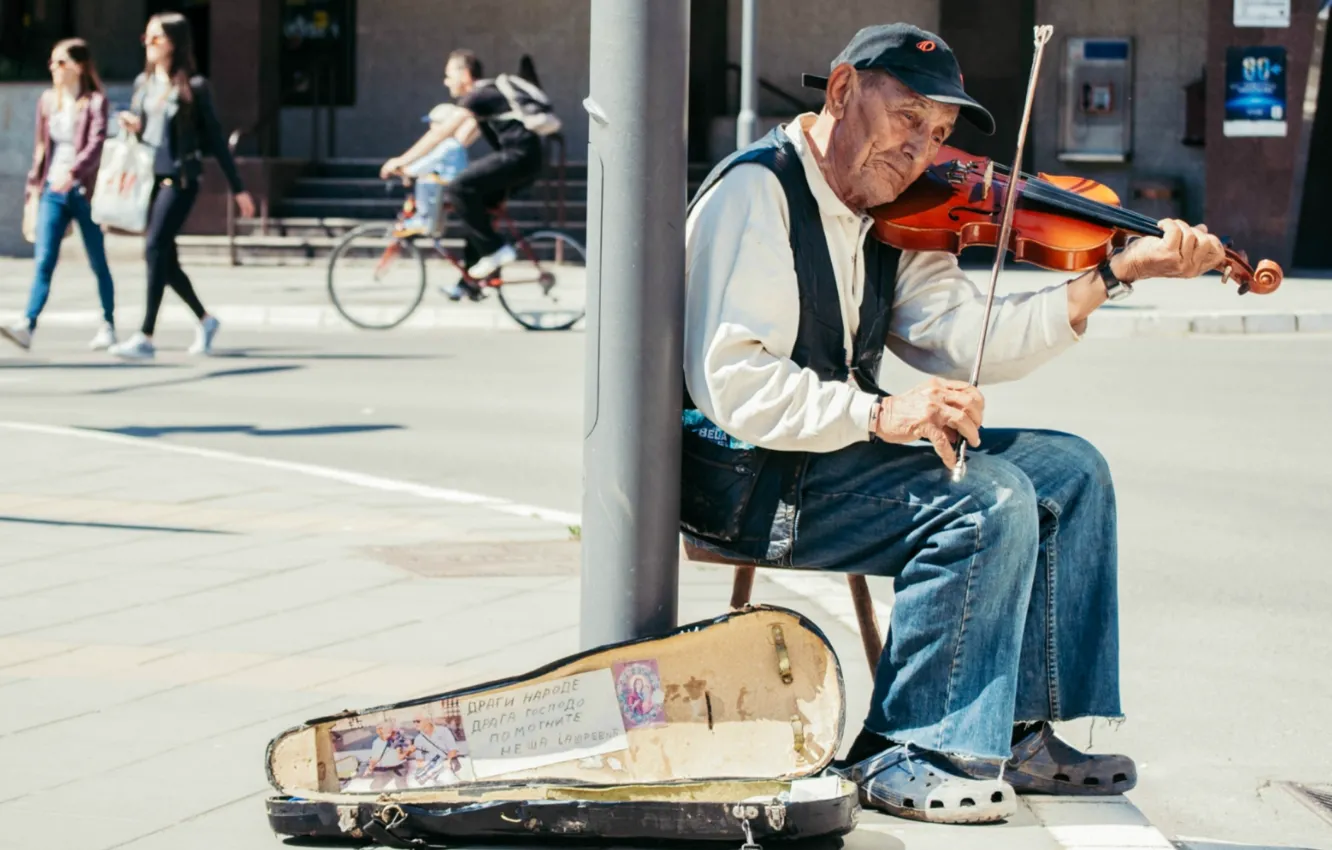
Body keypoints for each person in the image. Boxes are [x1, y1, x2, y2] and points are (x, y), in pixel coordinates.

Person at [681, 23, 1227, 825]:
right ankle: (906, 746)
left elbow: (964, 340)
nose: (922, 151)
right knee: (989, 498)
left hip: (830, 455)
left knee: (1070, 470)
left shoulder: (896, 212)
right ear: (841, 92)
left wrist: (1110, 274)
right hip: (748, 480)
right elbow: (737, 385)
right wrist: (883, 411)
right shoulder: (756, 191)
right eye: (909, 118)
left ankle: (1015, 730)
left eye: (938, 134)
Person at [108, 11, 256, 360]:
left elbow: (217, 141)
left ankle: (146, 335)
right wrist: (134, 127)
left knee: (155, 247)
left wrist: (239, 188)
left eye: (156, 38)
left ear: (174, 42)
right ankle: (205, 320)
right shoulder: (143, 85)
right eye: (146, 38)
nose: (149, 44)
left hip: (182, 179)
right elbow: (150, 133)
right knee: (164, 257)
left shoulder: (194, 87)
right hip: (150, 179)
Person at [380, 49, 547, 300]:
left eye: (449, 75)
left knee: (458, 189)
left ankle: (496, 250)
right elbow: (457, 142)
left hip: (518, 157)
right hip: (525, 160)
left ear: (465, 74)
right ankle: (472, 282)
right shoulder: (484, 101)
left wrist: (402, 160)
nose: (445, 82)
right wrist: (418, 167)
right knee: (477, 212)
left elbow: (440, 134)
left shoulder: (479, 95)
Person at [2, 38, 118, 353]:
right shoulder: (47, 101)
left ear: (78, 66)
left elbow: (95, 144)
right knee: (44, 259)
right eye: (52, 62)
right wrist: (34, 187)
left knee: (97, 260)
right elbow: (42, 148)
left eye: (61, 62)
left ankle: (108, 323)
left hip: (84, 191)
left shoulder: (95, 101)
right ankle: (28, 323)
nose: (54, 67)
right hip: (53, 189)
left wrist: (75, 172)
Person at [393, 103, 475, 238]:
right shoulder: (452, 144)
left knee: (427, 182)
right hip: (449, 184)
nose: (430, 127)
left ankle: (424, 219)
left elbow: (429, 162)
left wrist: (407, 170)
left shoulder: (449, 145)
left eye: (433, 123)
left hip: (449, 186)